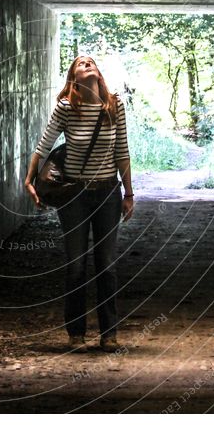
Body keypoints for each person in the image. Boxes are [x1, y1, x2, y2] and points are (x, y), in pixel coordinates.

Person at [24, 56, 134, 353]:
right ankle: (76, 333)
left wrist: (129, 193)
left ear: (97, 71)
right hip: (74, 195)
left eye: (91, 61)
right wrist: (29, 179)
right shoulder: (66, 108)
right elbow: (44, 145)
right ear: (73, 76)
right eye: (80, 63)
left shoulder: (114, 106)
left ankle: (109, 334)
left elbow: (122, 151)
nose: (87, 63)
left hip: (107, 194)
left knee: (107, 265)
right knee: (76, 265)